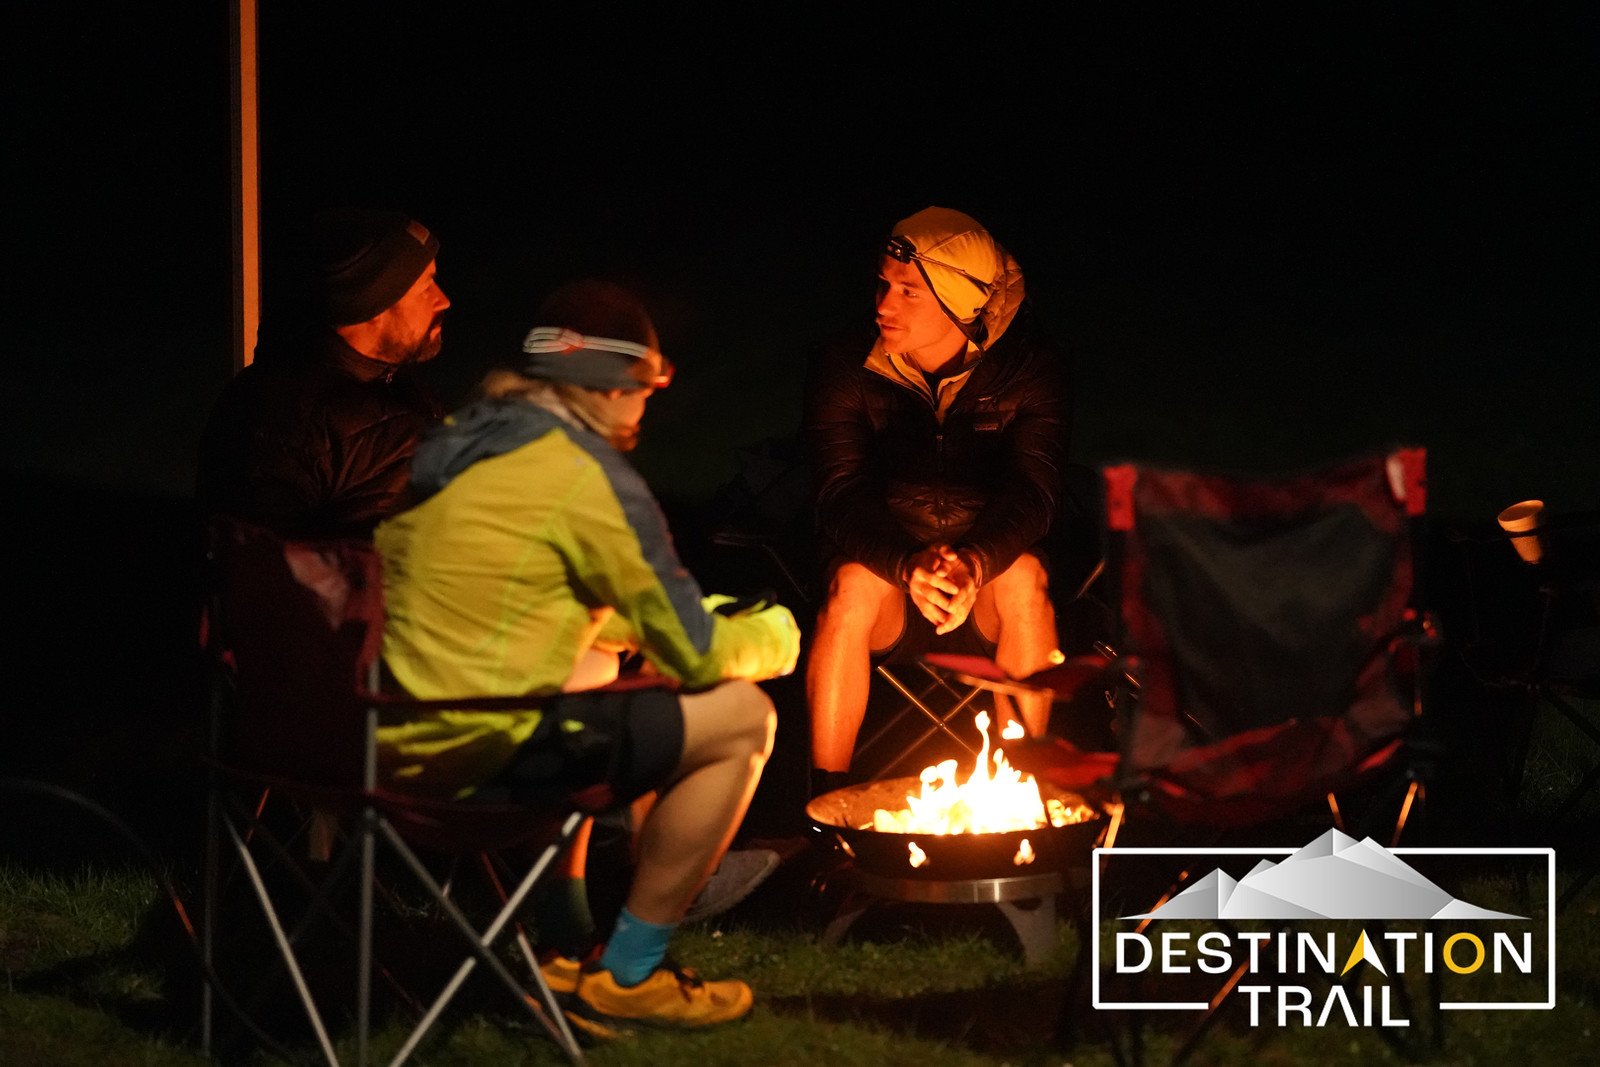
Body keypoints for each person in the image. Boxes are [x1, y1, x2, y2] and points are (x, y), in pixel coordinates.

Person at [374, 279, 800, 1036]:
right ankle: (631, 971)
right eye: (647, 387)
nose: (645, 409)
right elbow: (696, 654)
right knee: (742, 715)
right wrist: (775, 635)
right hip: (482, 756)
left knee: (596, 664)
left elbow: (513, 596)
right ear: (611, 387)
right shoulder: (585, 477)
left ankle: (562, 943)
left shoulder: (454, 442)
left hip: (387, 742)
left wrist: (615, 625)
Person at [802, 205, 1072, 796]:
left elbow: (1036, 491)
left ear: (959, 301)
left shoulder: (1028, 369)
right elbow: (838, 492)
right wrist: (906, 563)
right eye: (882, 285)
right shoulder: (848, 364)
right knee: (848, 585)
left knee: (1025, 578)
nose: (883, 305)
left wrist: (974, 561)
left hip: (987, 589)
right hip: (888, 581)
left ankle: (1020, 793)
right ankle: (824, 804)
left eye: (908, 291)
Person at [197, 206, 450, 539]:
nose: (443, 301)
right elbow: (257, 570)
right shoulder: (284, 426)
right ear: (372, 309)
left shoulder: (391, 384)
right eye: (425, 288)